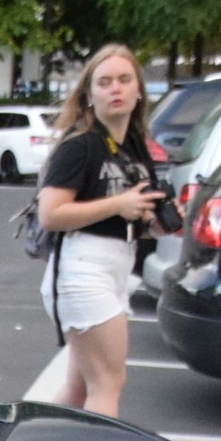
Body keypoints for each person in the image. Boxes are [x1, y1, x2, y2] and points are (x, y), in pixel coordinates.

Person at [21, 43, 173, 419]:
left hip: (117, 264)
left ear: (140, 91)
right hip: (83, 267)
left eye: (124, 80)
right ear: (89, 95)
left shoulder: (134, 147)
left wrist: (158, 221)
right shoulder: (81, 146)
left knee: (78, 388)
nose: (115, 89)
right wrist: (118, 204)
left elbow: (138, 217)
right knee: (108, 383)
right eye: (104, 82)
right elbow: (51, 215)